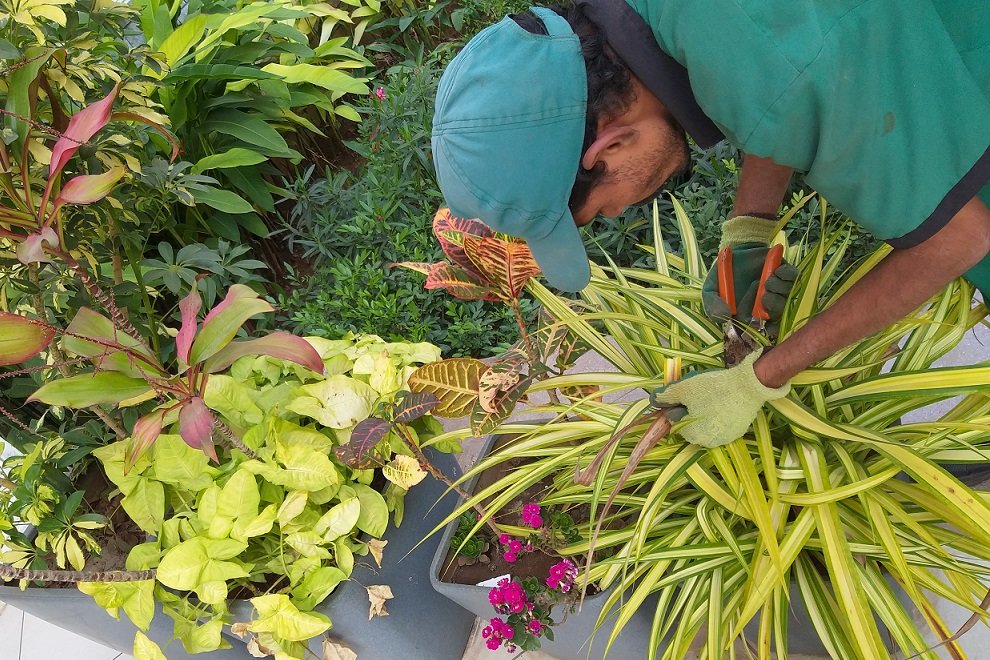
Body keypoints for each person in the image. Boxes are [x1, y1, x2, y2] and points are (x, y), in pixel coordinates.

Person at [431, 0, 990, 448]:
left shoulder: (792, 68)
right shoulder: (665, 23)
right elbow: (771, 81)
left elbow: (958, 240)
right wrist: (749, 229)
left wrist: (757, 380)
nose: (619, 214)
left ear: (609, 146)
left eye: (602, 208)